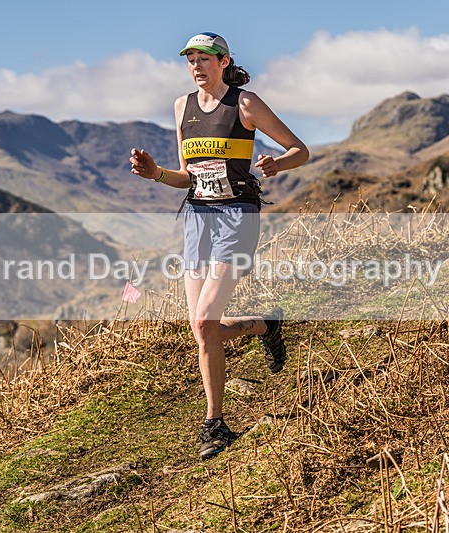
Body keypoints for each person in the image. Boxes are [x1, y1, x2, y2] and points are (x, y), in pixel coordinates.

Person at [130, 32, 308, 459]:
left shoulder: (245, 104)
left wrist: (277, 163)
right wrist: (156, 174)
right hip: (197, 220)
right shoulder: (182, 106)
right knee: (203, 328)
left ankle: (214, 424)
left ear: (224, 62)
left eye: (205, 58)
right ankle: (266, 326)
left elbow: (299, 150)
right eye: (191, 58)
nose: (197, 65)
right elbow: (187, 178)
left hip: (237, 216)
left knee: (205, 321)